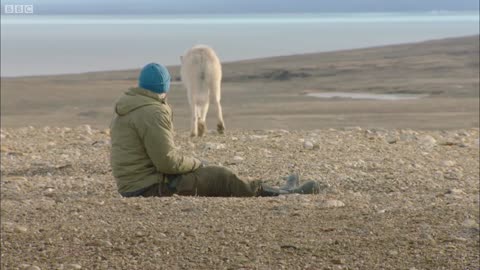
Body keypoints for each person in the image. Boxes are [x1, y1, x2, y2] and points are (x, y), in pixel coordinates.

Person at [110, 62, 320, 198]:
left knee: (210, 173)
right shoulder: (153, 112)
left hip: (132, 184)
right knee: (221, 175)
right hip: (150, 188)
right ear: (164, 88)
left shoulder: (129, 105)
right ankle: (284, 194)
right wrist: (196, 162)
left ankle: (279, 188)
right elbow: (167, 162)